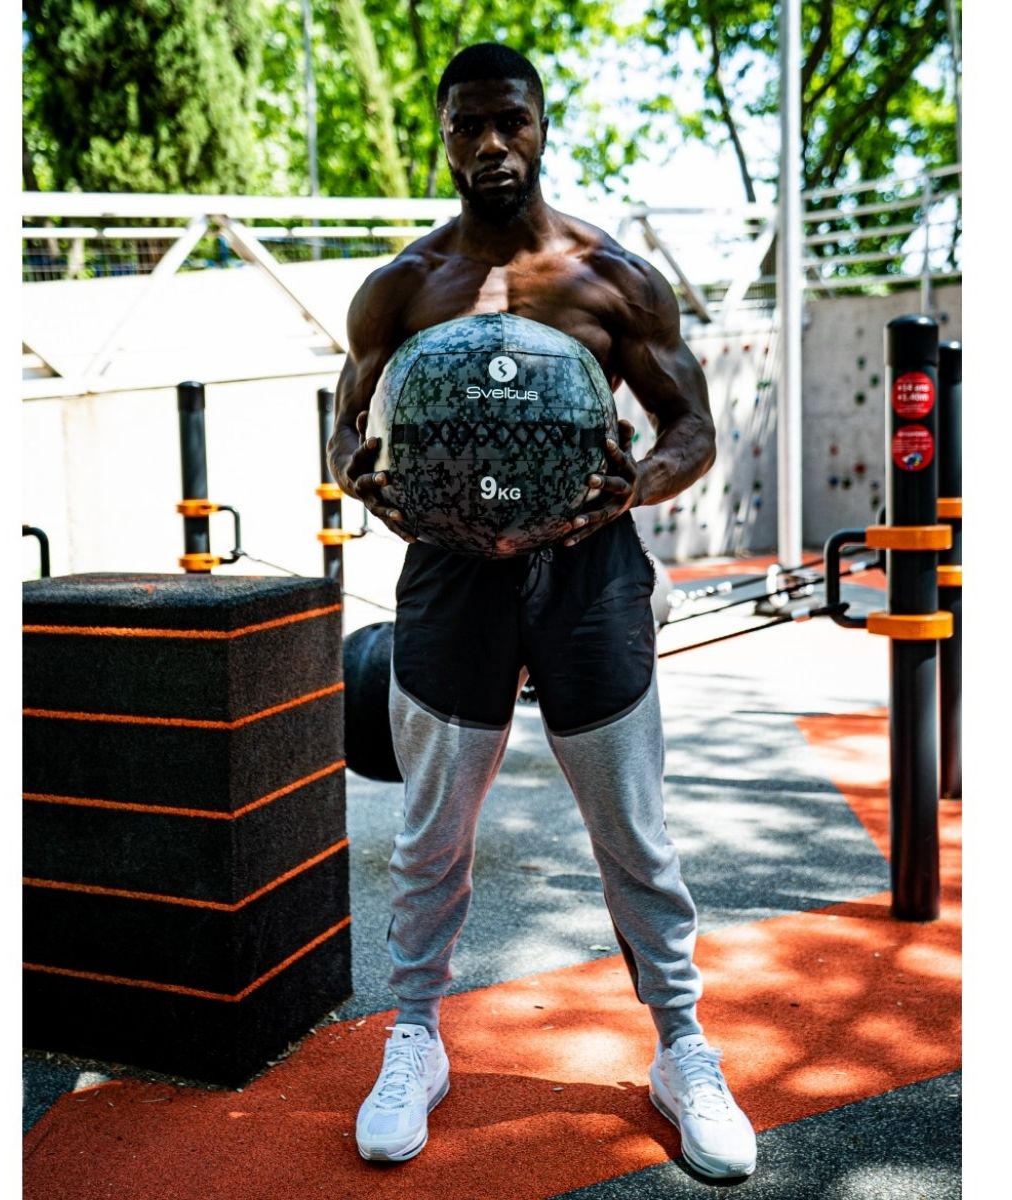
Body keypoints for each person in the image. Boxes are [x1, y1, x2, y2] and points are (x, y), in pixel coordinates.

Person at [327, 42, 757, 1180]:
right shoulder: (401, 287)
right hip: (450, 576)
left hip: (589, 575)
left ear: (542, 125)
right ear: (443, 137)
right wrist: (357, 476)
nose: (489, 144)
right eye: (465, 125)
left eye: (508, 120)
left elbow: (692, 429)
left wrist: (640, 483)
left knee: (634, 835)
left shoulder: (614, 279)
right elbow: (345, 421)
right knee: (430, 836)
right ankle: (415, 1036)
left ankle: (682, 1048)